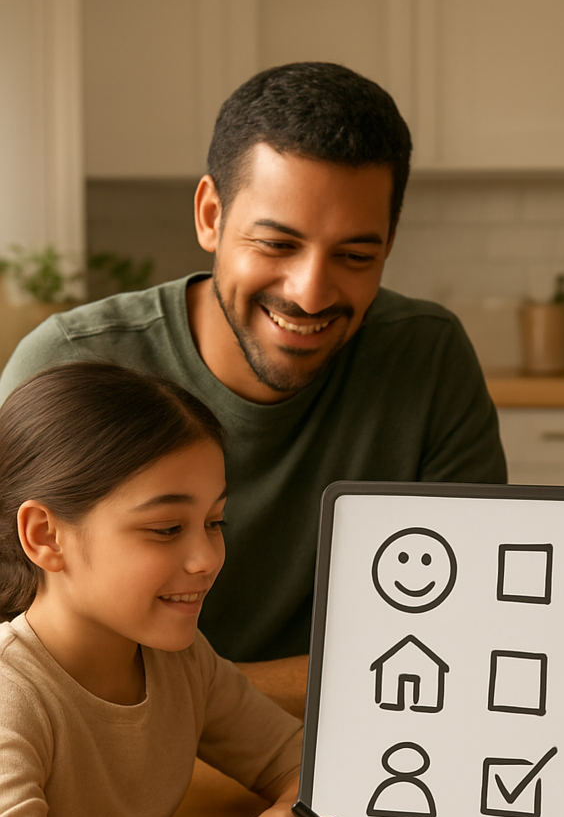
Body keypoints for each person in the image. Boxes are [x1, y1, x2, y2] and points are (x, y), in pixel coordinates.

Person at [0, 62, 507, 707]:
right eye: (276, 244)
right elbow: (18, 660)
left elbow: (466, 628)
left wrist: (216, 714)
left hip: (328, 752)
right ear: (211, 216)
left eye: (355, 256)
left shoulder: (427, 357)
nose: (311, 291)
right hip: (106, 755)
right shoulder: (69, 364)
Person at [0, 362, 389, 817]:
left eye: (214, 521)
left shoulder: (181, 664)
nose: (206, 557)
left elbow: (299, 758)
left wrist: (290, 813)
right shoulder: (10, 690)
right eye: (165, 528)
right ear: (45, 536)